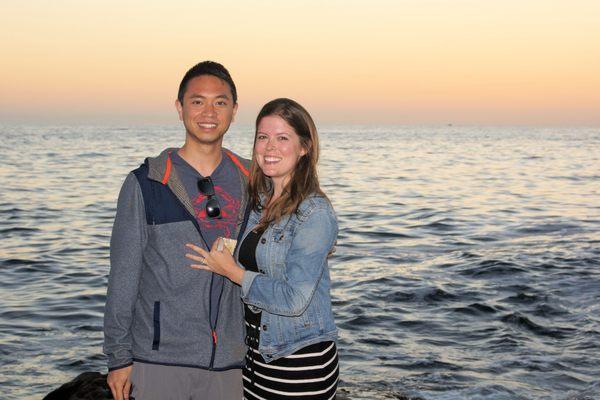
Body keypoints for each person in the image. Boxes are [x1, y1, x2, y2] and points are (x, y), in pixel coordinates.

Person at [103, 61, 250, 400]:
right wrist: (119, 357)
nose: (208, 112)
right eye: (197, 101)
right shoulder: (147, 183)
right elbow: (123, 276)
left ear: (234, 110)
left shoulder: (252, 181)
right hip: (159, 360)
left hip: (231, 363)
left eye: (220, 102)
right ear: (180, 108)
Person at [186, 98, 339, 399]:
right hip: (256, 359)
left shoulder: (314, 213)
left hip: (299, 362)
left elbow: (294, 299)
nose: (270, 147)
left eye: (283, 138)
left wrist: (235, 273)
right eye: (263, 137)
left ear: (305, 147)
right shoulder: (258, 203)